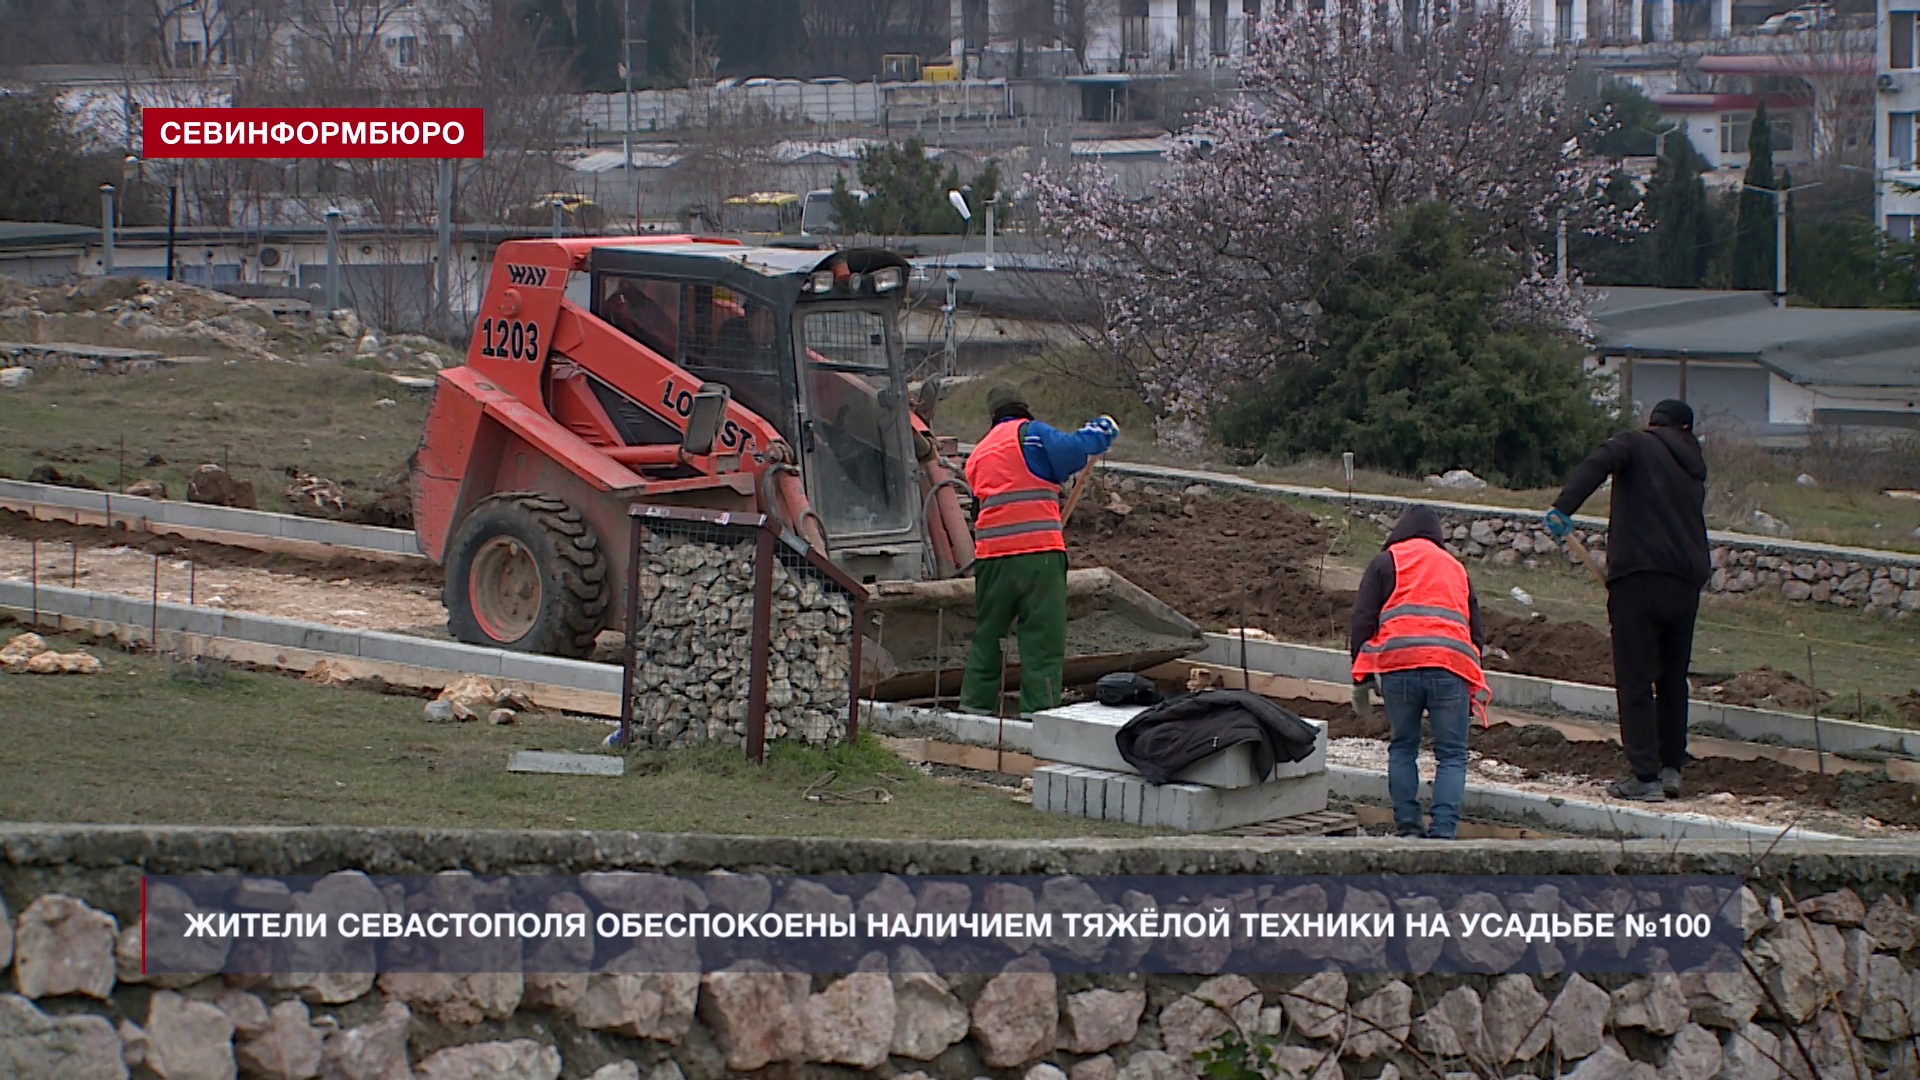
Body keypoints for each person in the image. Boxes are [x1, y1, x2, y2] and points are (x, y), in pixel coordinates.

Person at [1545, 399, 1709, 803]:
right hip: (1686, 582)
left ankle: (1644, 776)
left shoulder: (1635, 443)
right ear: (1686, 429)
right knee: (1672, 678)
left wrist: (1563, 508)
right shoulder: (1693, 465)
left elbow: (1599, 461)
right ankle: (1671, 768)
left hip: (1637, 578)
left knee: (1634, 678)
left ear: (1654, 423)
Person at [959, 383, 1117, 719]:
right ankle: (1038, 713)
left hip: (990, 559)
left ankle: (974, 706)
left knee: (989, 635)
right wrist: (1102, 428)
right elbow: (1075, 450)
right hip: (1038, 554)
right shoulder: (1032, 435)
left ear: (992, 416)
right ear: (1024, 407)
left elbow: (979, 506)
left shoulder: (978, 453)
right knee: (1041, 638)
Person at [1350, 505, 1490, 839]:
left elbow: (1362, 619)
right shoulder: (1456, 568)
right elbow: (1476, 633)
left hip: (1399, 667)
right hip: (1450, 668)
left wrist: (1361, 677)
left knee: (1402, 747)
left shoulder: (1386, 561)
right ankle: (1443, 833)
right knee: (1452, 755)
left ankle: (1409, 828)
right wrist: (1468, 683)